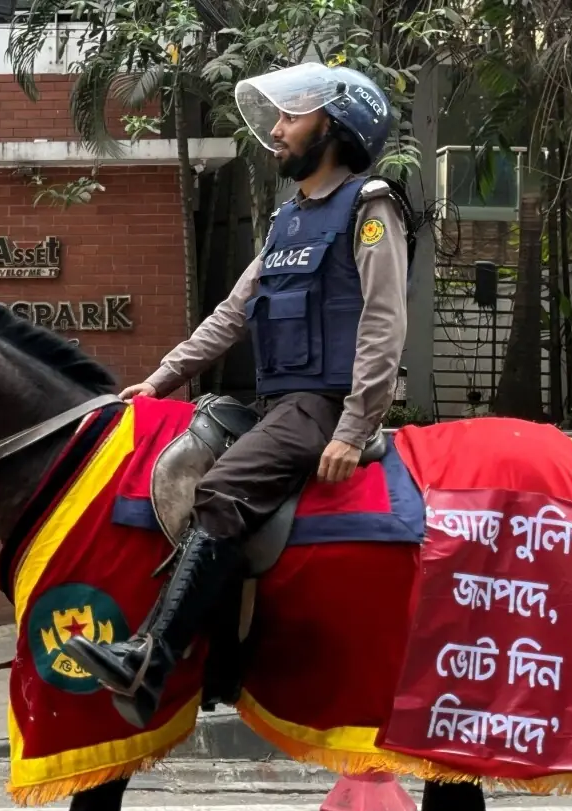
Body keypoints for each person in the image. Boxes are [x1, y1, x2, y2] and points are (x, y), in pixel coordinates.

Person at [63, 61, 415, 724]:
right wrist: (163, 377)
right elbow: (232, 314)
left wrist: (353, 426)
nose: (277, 132)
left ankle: (150, 662)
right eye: (277, 119)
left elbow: (383, 319)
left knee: (219, 494)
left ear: (333, 127)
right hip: (275, 404)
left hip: (322, 405)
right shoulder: (286, 223)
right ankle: (222, 665)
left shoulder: (370, 209)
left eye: (291, 117)